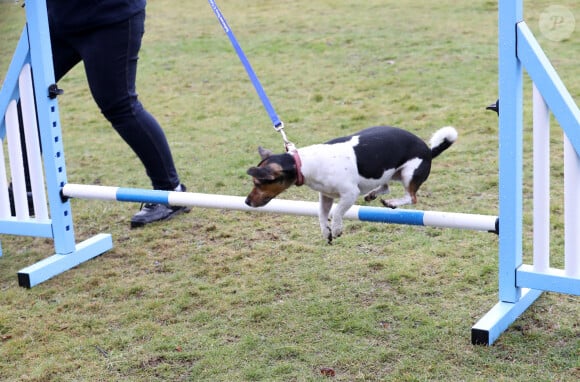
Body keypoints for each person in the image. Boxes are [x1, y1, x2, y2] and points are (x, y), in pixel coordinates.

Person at [45, 0, 189, 228]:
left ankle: (170, 193)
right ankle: (26, 189)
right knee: (22, 95)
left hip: (111, 18)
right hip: (54, 19)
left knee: (120, 107)